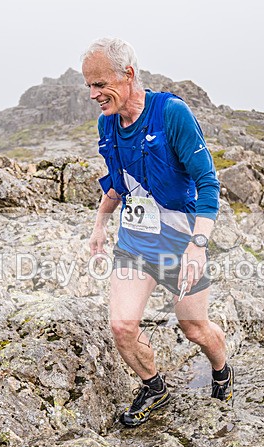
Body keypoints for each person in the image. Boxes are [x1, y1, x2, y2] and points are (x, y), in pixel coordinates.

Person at [81, 37, 233, 427]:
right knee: (122, 326)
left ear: (128, 75)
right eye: (90, 87)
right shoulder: (107, 124)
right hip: (135, 242)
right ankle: (154, 388)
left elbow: (208, 184)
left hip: (180, 242)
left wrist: (197, 247)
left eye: (100, 85)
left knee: (195, 328)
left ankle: (221, 369)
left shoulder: (171, 114)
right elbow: (118, 182)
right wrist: (100, 224)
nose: (95, 94)